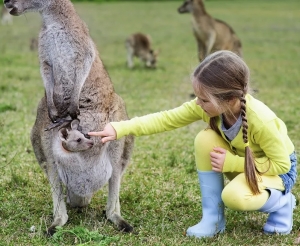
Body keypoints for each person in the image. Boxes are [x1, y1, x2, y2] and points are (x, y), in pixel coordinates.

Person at [88, 50, 297, 238]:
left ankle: (282, 204)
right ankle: (213, 219)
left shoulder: (261, 120)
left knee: (234, 197)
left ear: (230, 98)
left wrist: (233, 163)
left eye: (204, 99)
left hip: (277, 173)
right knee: (204, 139)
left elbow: (281, 166)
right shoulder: (209, 107)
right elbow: (165, 119)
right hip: (243, 164)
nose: (198, 104)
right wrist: (119, 128)